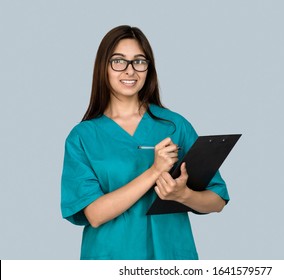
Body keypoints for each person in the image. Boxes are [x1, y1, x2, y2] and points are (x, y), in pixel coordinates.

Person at [60, 25, 229, 260]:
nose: (130, 71)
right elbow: (95, 214)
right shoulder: (83, 137)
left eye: (139, 61)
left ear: (148, 68)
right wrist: (155, 171)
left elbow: (217, 199)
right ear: (103, 67)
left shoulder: (174, 126)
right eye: (119, 61)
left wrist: (182, 195)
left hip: (171, 258)